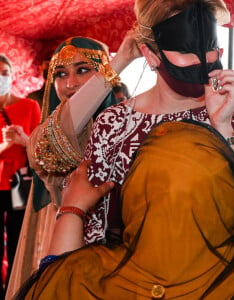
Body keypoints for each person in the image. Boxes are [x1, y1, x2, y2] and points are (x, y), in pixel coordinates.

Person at [16, 121, 234, 300]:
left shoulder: (84, 275)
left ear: (134, 195)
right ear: (227, 199)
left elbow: (56, 280)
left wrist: (73, 209)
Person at [83, 0, 234, 247]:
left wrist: (223, 126)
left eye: (210, 48)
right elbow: (93, 228)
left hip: (223, 272)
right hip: (135, 276)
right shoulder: (113, 123)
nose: (202, 60)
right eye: (187, 51)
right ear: (150, 55)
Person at [6, 34, 140, 299]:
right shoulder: (49, 132)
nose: (70, 84)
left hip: (123, 248)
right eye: (60, 74)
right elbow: (67, 125)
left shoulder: (128, 126)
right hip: (63, 243)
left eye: (82, 70)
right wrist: (120, 61)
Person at [0, 54, 41, 297]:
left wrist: (24, 140)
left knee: (18, 241)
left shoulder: (29, 106)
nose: (1, 77)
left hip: (19, 185)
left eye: (5, 73)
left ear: (12, 75)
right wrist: (5, 145)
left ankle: (14, 291)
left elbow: (39, 149)